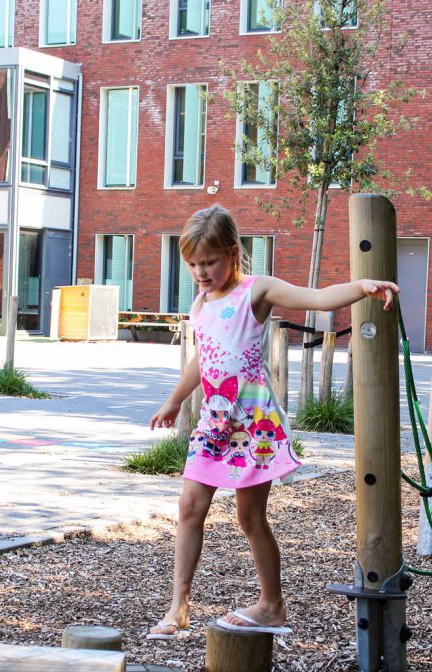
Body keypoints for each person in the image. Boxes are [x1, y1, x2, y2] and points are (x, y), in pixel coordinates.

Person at [147, 204, 398, 639]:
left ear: (232, 252)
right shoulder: (202, 302)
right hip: (214, 422)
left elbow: (315, 298)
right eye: (192, 264)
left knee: (250, 518)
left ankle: (271, 604)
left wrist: (362, 286)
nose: (201, 272)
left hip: (252, 424)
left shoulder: (255, 292)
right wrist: (174, 401)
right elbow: (202, 357)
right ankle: (178, 607)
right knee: (189, 508)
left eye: (209, 262)